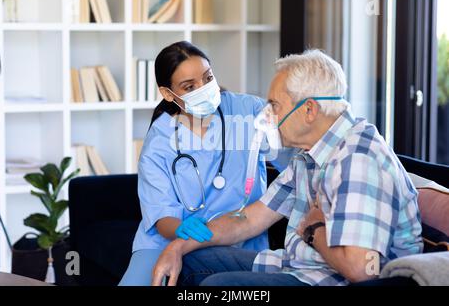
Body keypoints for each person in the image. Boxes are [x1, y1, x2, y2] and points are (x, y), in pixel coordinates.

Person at [151, 49, 423, 287]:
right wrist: (179, 245)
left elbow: (361, 269)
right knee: (192, 260)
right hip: (300, 265)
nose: (266, 115)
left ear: (309, 111)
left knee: (219, 286)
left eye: (274, 106)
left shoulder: (357, 159)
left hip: (328, 279)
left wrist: (313, 229)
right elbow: (249, 219)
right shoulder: (308, 155)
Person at [119, 41, 289, 286]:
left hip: (241, 238)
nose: (204, 88)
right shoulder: (159, 142)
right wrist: (182, 229)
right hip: (169, 240)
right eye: (190, 86)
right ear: (168, 93)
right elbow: (161, 216)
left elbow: (293, 155)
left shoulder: (247, 111)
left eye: (208, 78)